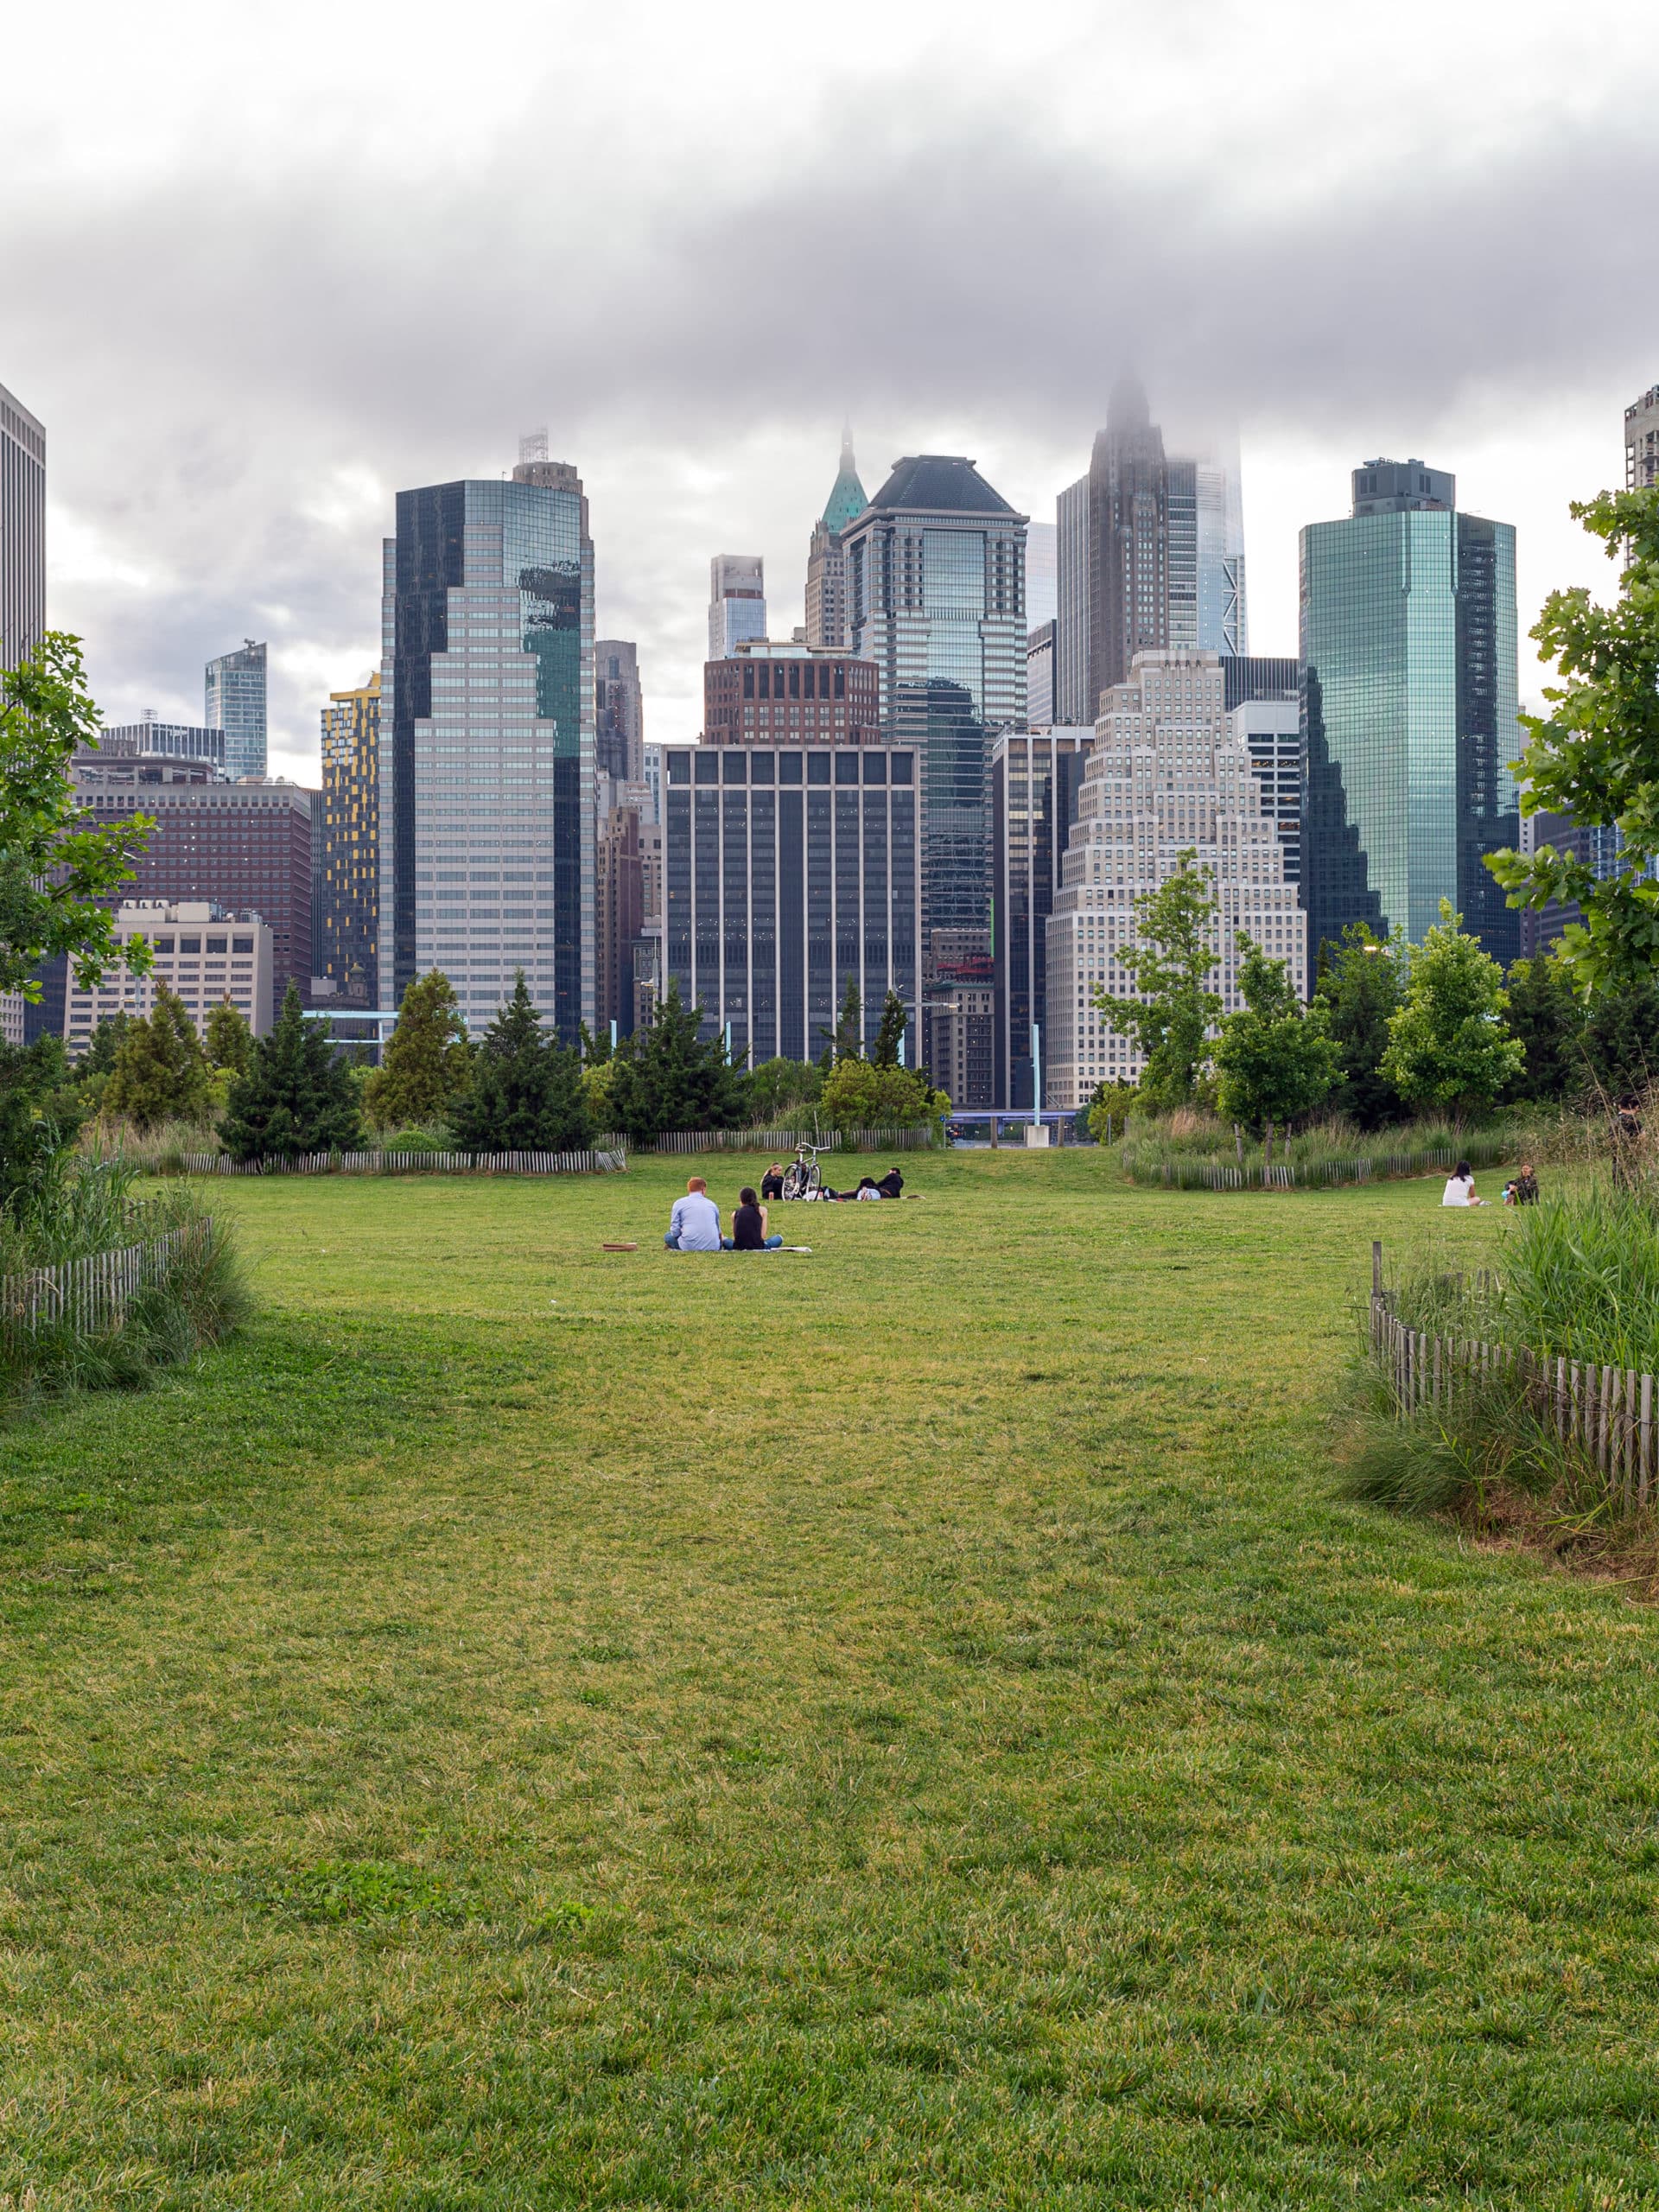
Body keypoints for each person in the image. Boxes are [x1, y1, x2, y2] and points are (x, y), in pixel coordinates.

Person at [664, 1175, 721, 1250]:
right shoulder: (712, 1204)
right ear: (703, 1189)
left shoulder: (679, 1203)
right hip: (713, 1246)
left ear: (689, 1189)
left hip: (689, 1246)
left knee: (668, 1236)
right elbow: (718, 1230)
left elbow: (675, 1232)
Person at [724, 1185, 784, 1251]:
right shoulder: (762, 1211)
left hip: (738, 1246)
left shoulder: (734, 1214)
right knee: (779, 1238)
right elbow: (762, 1236)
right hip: (757, 1246)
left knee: (723, 1239)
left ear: (741, 1200)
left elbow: (736, 1237)